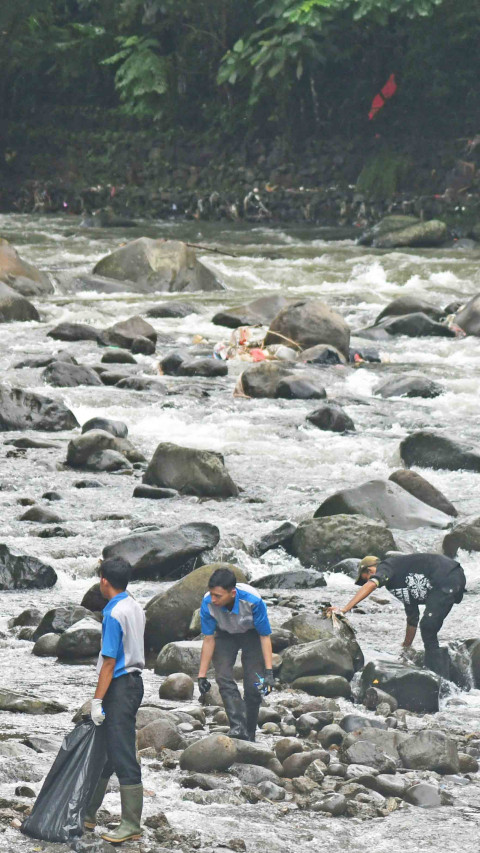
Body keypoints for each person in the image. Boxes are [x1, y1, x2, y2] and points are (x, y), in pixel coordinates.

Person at [85, 557, 145, 844]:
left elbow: (109, 662)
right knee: (108, 752)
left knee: (121, 753)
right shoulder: (133, 605)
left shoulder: (113, 613)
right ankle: (86, 813)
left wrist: (97, 700)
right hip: (134, 683)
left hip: (120, 686)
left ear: (104, 581)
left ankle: (131, 824)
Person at [328, 553, 466, 676]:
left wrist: (344, 609)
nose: (367, 582)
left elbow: (372, 584)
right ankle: (441, 676)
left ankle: (438, 679)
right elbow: (412, 618)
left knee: (428, 628)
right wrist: (406, 648)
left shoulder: (386, 566)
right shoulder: (398, 583)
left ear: (370, 570)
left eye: (366, 578)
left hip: (446, 575)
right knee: (429, 629)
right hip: (450, 579)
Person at [197, 567, 274, 742]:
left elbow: (265, 636)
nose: (213, 599)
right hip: (224, 635)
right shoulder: (207, 603)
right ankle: (238, 727)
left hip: (252, 635)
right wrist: (201, 676)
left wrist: (269, 672)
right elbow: (208, 640)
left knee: (254, 686)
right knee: (223, 677)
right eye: (212, 594)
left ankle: (250, 733)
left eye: (218, 596)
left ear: (232, 593)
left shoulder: (253, 601)